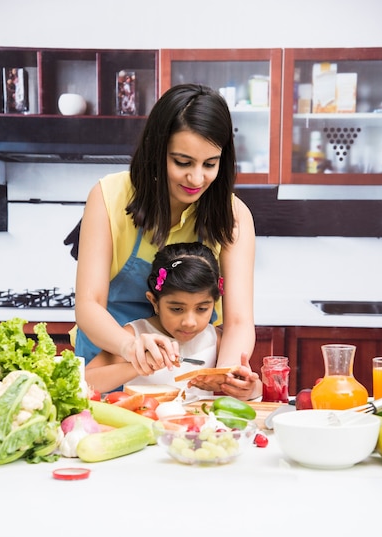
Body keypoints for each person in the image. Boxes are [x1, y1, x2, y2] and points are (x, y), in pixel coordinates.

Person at [75, 83, 261, 401]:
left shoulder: (234, 215)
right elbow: (89, 304)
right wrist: (130, 348)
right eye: (183, 162)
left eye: (210, 164)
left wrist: (226, 375)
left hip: (188, 378)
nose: (197, 178)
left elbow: (239, 321)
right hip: (111, 363)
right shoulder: (109, 196)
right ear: (157, 150)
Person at [85, 242, 260, 397]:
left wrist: (250, 389)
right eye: (177, 309)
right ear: (154, 302)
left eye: (202, 309)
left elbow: (254, 388)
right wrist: (138, 364)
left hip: (196, 428)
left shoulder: (217, 339)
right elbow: (85, 382)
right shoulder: (136, 336)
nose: (189, 322)